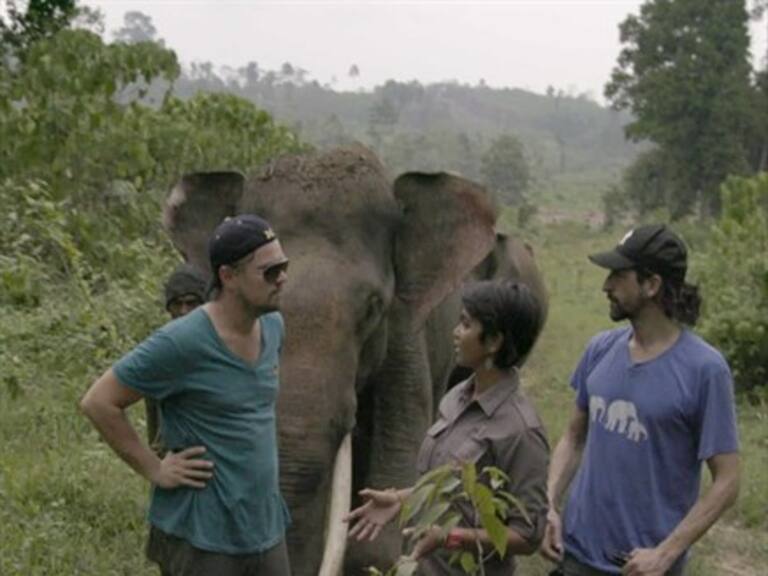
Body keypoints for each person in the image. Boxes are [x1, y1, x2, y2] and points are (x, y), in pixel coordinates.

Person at [80, 214, 292, 576]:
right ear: (228, 276)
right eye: (269, 271)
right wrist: (155, 469)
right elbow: (99, 401)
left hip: (264, 528)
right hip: (203, 536)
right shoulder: (183, 341)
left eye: (284, 266)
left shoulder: (273, 325)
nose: (283, 278)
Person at [541, 224, 741, 576]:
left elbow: (727, 481)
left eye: (618, 276)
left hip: (640, 568)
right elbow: (574, 436)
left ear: (651, 285)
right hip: (573, 555)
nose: (606, 286)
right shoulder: (599, 350)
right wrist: (550, 503)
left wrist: (665, 553)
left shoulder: (705, 370)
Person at [345, 281, 550, 575]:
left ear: (493, 342)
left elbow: (528, 536)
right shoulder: (457, 396)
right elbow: (451, 489)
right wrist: (400, 500)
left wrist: (452, 538)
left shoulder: (521, 431)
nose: (455, 333)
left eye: (466, 325)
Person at [145, 263, 208, 454]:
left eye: (191, 303)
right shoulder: (160, 350)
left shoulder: (222, 346)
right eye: (177, 304)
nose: (183, 311)